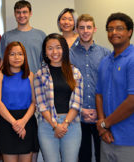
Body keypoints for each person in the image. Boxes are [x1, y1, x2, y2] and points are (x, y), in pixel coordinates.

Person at [34, 33, 83, 162]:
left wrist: (64, 124)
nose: (54, 52)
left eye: (58, 47)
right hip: (47, 126)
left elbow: (77, 103)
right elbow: (41, 105)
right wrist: (55, 125)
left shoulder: (75, 72)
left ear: (64, 49)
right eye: (50, 48)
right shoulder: (40, 74)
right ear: (45, 51)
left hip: (71, 125)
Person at [69, 14, 111, 162]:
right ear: (76, 29)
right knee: (83, 156)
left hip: (102, 115)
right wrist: (81, 110)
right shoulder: (69, 55)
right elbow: (68, 86)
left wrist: (100, 112)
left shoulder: (106, 54)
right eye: (81, 27)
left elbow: (109, 85)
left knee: (103, 156)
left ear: (94, 29)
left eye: (88, 27)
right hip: (78, 115)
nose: (85, 31)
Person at [96, 12, 134, 162]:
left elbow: (132, 102)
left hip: (129, 139)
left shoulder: (132, 60)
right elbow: (99, 94)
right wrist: (102, 124)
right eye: (110, 29)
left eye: (119, 28)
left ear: (129, 32)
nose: (114, 33)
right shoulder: (105, 61)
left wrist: (105, 123)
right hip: (107, 137)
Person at [0, 41, 39, 162]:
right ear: (7, 56)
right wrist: (15, 123)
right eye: (12, 54)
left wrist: (22, 122)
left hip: (27, 121)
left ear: (24, 56)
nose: (16, 57)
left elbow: (34, 103)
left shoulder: (30, 75)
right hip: (7, 121)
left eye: (20, 54)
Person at [0, 0, 46, 74]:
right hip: (13, 80)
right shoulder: (6, 36)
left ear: (30, 13)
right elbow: (2, 63)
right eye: (18, 12)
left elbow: (46, 61)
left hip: (36, 81)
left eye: (24, 12)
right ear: (15, 14)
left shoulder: (41, 35)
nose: (21, 15)